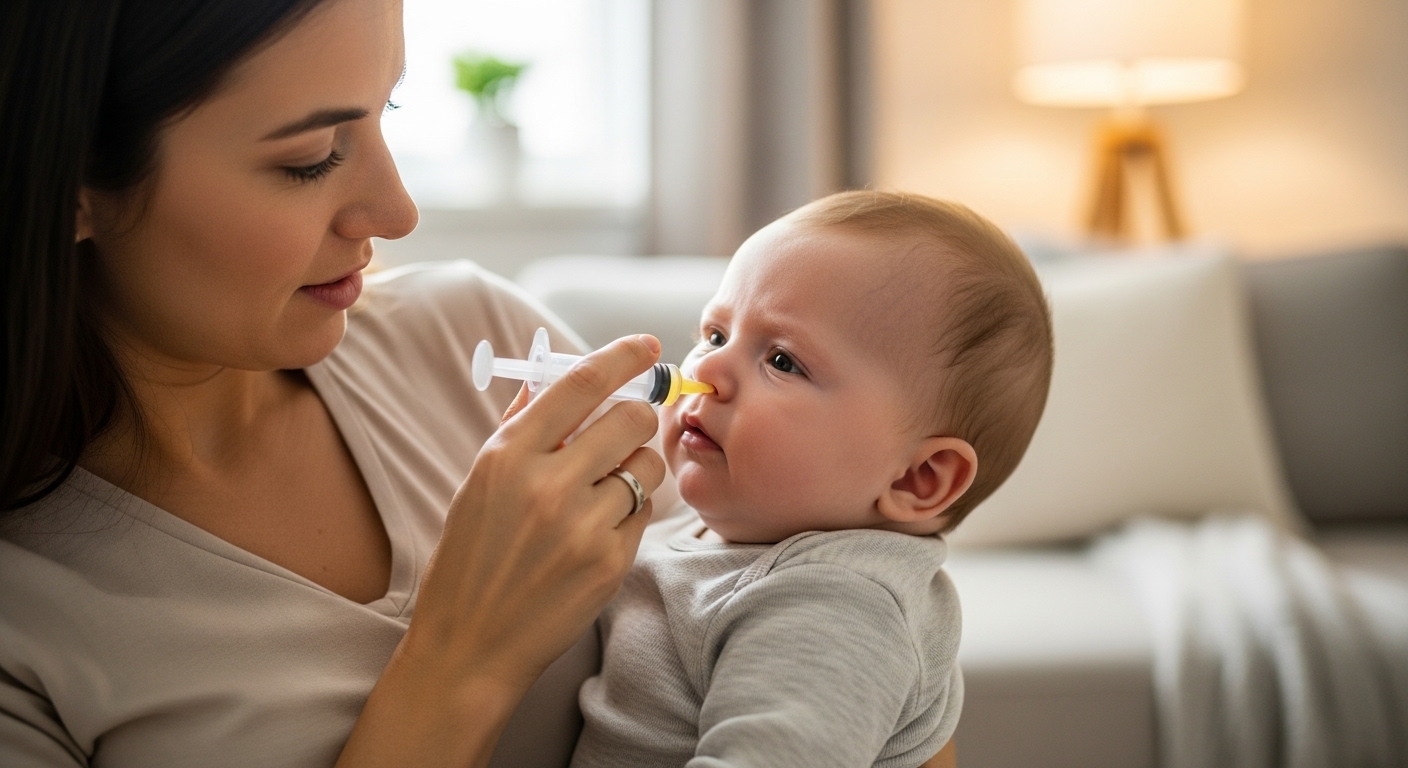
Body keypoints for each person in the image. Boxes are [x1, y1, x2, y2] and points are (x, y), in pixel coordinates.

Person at [0, 0, 669, 765]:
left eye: (389, 110)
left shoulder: (471, 335)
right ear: (70, 185)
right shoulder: (22, 633)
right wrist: (464, 659)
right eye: (311, 157)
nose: (397, 212)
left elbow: (757, 593)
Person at [572, 191, 1055, 768]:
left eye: (782, 361)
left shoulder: (831, 606)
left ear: (920, 478)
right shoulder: (727, 523)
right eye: (717, 334)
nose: (704, 371)